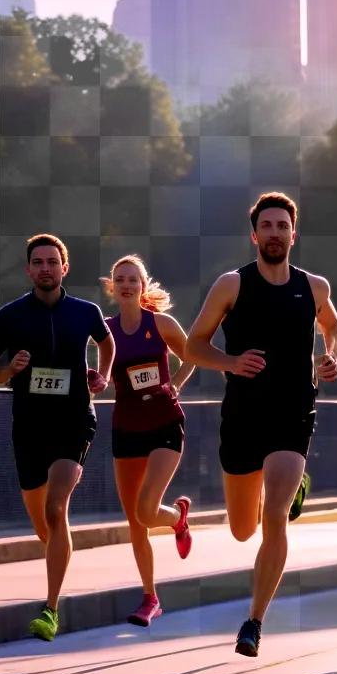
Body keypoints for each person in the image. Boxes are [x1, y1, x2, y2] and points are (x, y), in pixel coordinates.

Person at [185, 192, 337, 657]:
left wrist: (331, 355)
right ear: (254, 235)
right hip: (242, 417)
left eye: (283, 226)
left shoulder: (314, 287)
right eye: (267, 226)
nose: (275, 233)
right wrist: (231, 362)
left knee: (274, 516)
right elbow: (194, 346)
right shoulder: (231, 285)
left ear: (294, 234)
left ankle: (254, 622)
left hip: (293, 414)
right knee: (241, 527)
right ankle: (283, 488)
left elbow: (333, 327)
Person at [0, 233, 114, 641]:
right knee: (45, 524)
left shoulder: (86, 311)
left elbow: (106, 344)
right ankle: (59, 550)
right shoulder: (11, 316)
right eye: (38, 262)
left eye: (52, 262)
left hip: (74, 420)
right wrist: (8, 372)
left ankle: (50, 608)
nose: (45, 268)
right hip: (29, 427)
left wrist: (102, 375)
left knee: (57, 510)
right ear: (28, 270)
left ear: (64, 268)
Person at [103, 255, 197, 627]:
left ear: (143, 286)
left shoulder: (160, 324)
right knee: (135, 521)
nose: (127, 285)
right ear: (113, 287)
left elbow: (193, 354)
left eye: (133, 279)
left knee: (146, 509)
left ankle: (177, 519)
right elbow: (102, 370)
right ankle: (150, 598)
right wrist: (98, 378)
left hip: (164, 424)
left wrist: (176, 383)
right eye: (120, 279)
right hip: (126, 428)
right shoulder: (104, 330)